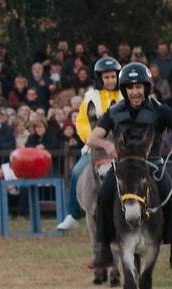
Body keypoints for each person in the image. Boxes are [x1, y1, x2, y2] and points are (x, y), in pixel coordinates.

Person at [87, 62, 172, 269]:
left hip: (152, 165)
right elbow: (92, 139)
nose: (135, 92)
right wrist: (106, 143)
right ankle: (103, 250)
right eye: (130, 87)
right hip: (123, 166)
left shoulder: (160, 110)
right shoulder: (114, 111)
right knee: (103, 196)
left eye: (139, 87)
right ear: (124, 90)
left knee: (170, 196)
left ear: (146, 88)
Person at [58, 57, 122, 230]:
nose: (110, 80)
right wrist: (93, 140)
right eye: (106, 77)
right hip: (96, 146)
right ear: (100, 78)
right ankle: (73, 214)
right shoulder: (91, 97)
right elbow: (81, 122)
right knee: (77, 171)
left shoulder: (124, 95)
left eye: (113, 77)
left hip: (121, 146)